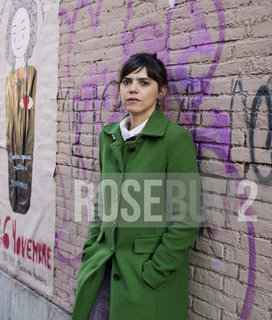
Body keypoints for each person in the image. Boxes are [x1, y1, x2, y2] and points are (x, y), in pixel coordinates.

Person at [72, 53, 201, 320]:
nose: (133, 89)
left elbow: (186, 219)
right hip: (103, 267)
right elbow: (103, 200)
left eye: (144, 82)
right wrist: (92, 246)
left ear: (160, 91)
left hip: (143, 278)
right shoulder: (109, 137)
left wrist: (155, 271)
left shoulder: (174, 140)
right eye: (127, 81)